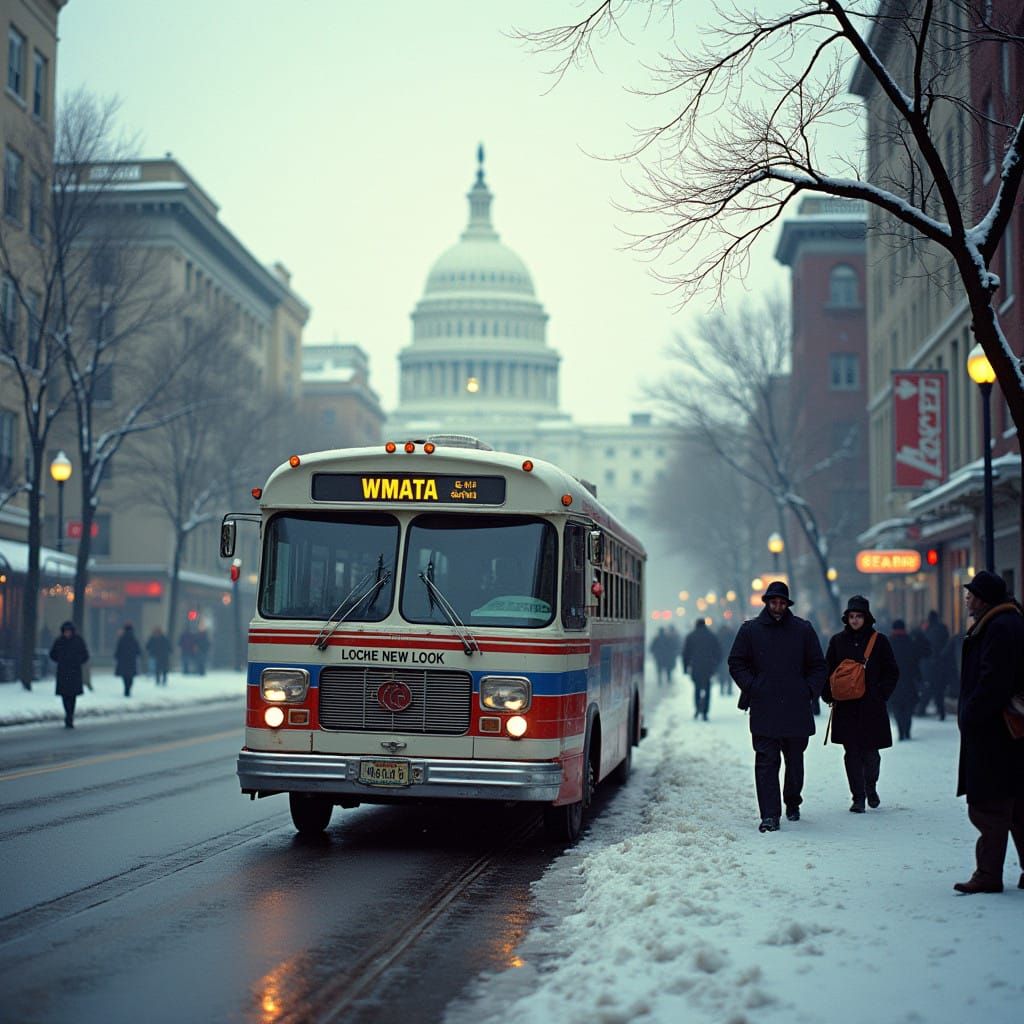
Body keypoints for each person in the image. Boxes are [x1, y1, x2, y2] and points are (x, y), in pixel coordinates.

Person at [728, 580, 827, 832]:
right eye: (774, 602)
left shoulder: (803, 630)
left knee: (795, 761)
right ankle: (769, 815)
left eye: (782, 602)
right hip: (765, 706)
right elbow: (736, 662)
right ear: (766, 602)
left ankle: (792, 800)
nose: (778, 606)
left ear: (787, 604)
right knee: (766, 762)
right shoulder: (751, 630)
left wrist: (808, 690)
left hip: (795, 707)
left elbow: (818, 665)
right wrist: (752, 686)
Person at [953, 570, 1024, 895]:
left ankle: (988, 874)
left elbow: (993, 681)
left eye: (971, 594)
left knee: (989, 806)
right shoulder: (1007, 622)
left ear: (983, 598)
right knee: (1015, 804)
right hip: (1007, 733)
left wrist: (971, 714)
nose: (967, 598)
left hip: (995, 732)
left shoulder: (998, 627)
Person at [823, 596, 900, 812]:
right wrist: (829, 694)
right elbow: (827, 669)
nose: (855, 620)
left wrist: (879, 694)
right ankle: (858, 797)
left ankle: (870, 786)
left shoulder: (879, 640)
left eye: (859, 616)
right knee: (852, 753)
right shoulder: (837, 641)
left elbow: (892, 671)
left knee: (871, 753)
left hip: (871, 707)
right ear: (846, 618)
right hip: (846, 707)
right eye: (851, 616)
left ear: (866, 618)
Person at [888, 619, 925, 740]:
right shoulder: (910, 641)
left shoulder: (889, 642)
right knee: (908, 708)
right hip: (909, 680)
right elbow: (917, 660)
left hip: (893, 681)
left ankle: (900, 731)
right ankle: (907, 731)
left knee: (897, 707)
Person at [49, 621, 90, 729]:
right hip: (63, 672)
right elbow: (52, 654)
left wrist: (77, 661)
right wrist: (61, 660)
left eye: (69, 631)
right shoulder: (59, 641)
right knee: (64, 695)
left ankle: (70, 715)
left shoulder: (78, 641)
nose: (67, 633)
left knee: (72, 696)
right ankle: (68, 714)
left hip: (74, 672)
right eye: (66, 631)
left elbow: (85, 655)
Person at [682, 618, 721, 721]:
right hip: (708, 667)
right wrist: (716, 665)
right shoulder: (712, 636)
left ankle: (697, 708)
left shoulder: (690, 636)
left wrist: (685, 667)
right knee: (707, 688)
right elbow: (718, 652)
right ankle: (705, 711)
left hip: (696, 667)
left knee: (697, 688)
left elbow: (686, 653)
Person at [919, 609, 951, 719]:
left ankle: (922, 709)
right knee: (939, 690)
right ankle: (941, 711)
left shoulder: (928, 630)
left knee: (929, 688)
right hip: (940, 664)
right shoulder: (943, 629)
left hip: (930, 664)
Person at [114, 622, 142, 697]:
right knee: (130, 676)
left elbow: (118, 649)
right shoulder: (134, 639)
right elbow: (138, 650)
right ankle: (128, 689)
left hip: (123, 660)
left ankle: (126, 688)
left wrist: (117, 656)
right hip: (131, 660)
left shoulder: (122, 639)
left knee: (124, 676)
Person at [715, 623, 735, 695]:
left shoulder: (718, 634)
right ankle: (729, 690)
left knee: (722, 673)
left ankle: (722, 689)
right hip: (729, 655)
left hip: (721, 656)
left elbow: (716, 646)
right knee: (729, 673)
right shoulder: (730, 634)